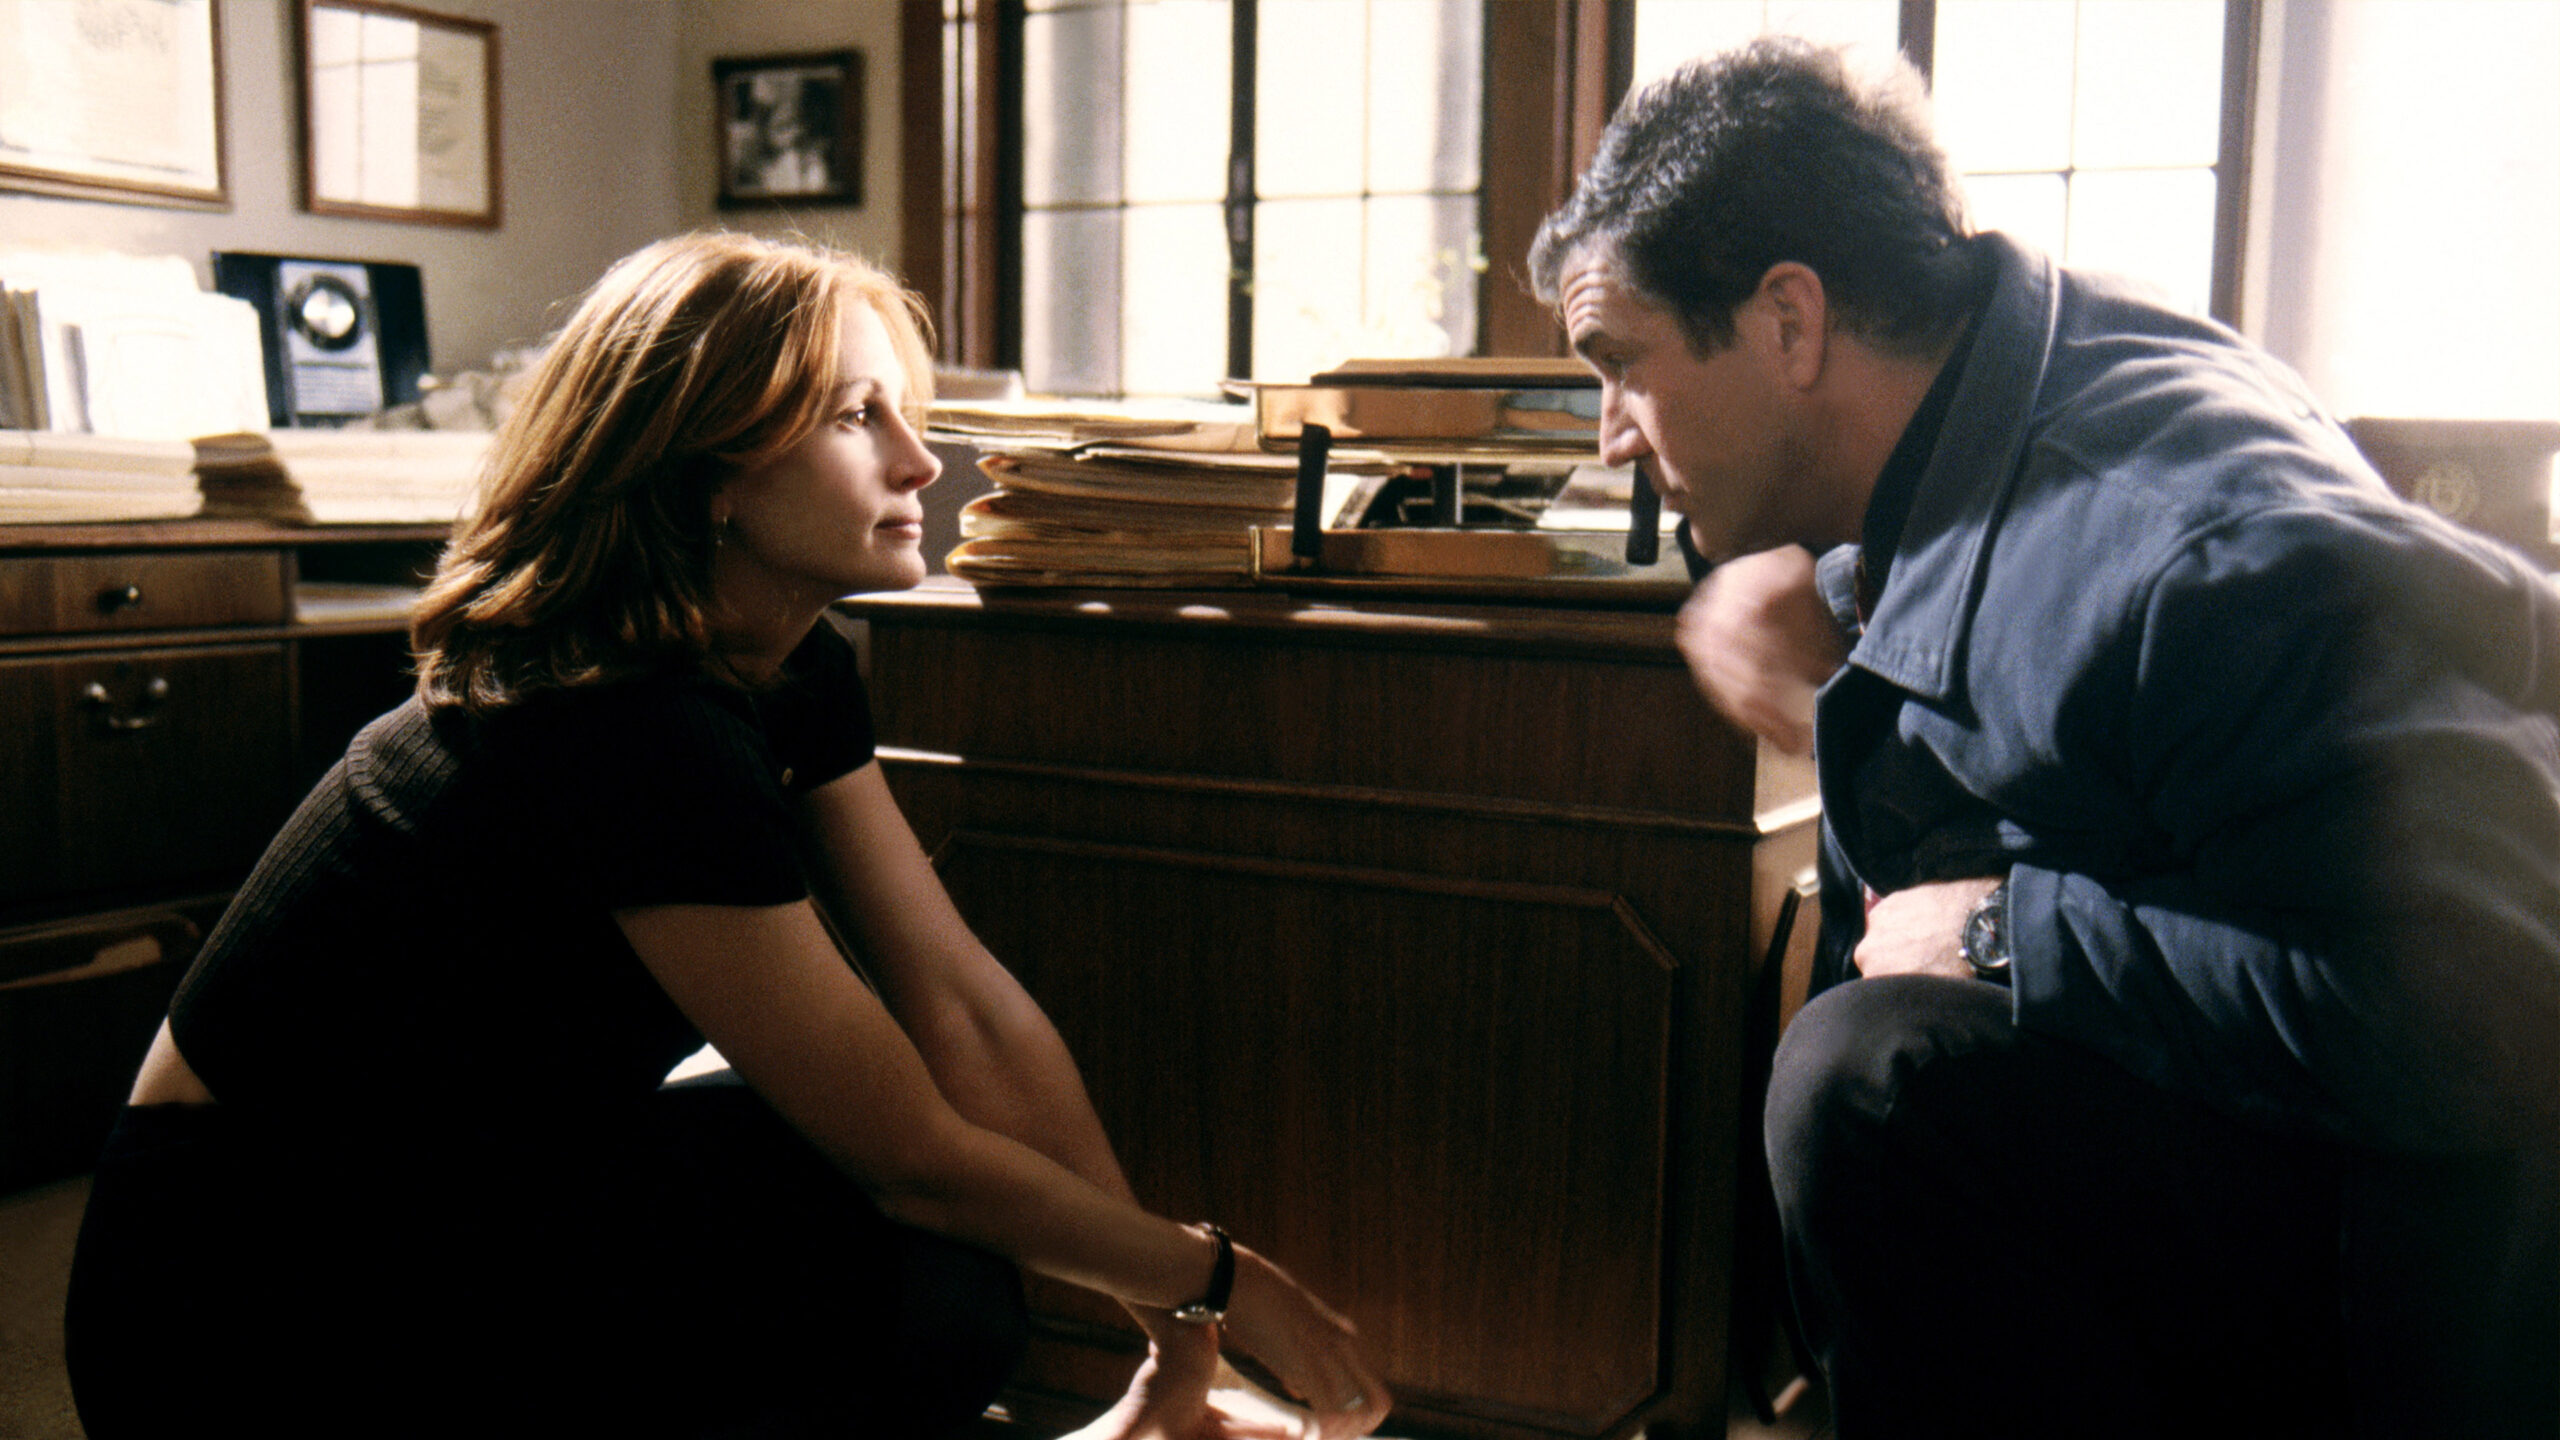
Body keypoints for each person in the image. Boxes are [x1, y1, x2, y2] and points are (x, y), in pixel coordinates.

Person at [63, 232, 1393, 1440]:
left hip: (468, 1185)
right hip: (242, 1292)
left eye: (906, 412)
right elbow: (914, 1164)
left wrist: (1176, 1341)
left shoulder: (781, 661)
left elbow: (962, 1008)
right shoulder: (622, 719)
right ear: (708, 472)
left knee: (895, 1231)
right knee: (918, 1264)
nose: (922, 464)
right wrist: (1230, 1280)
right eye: (857, 417)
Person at [1529, 38, 2558, 1440]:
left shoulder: (2194, 557)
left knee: (1866, 1076)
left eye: (1623, 367)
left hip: (2424, 1287)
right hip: (2297, 1173)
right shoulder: (2003, 385)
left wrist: (2009, 935)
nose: (1609, 439)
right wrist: (1844, 586)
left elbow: (2500, 1008)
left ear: (1789, 323)